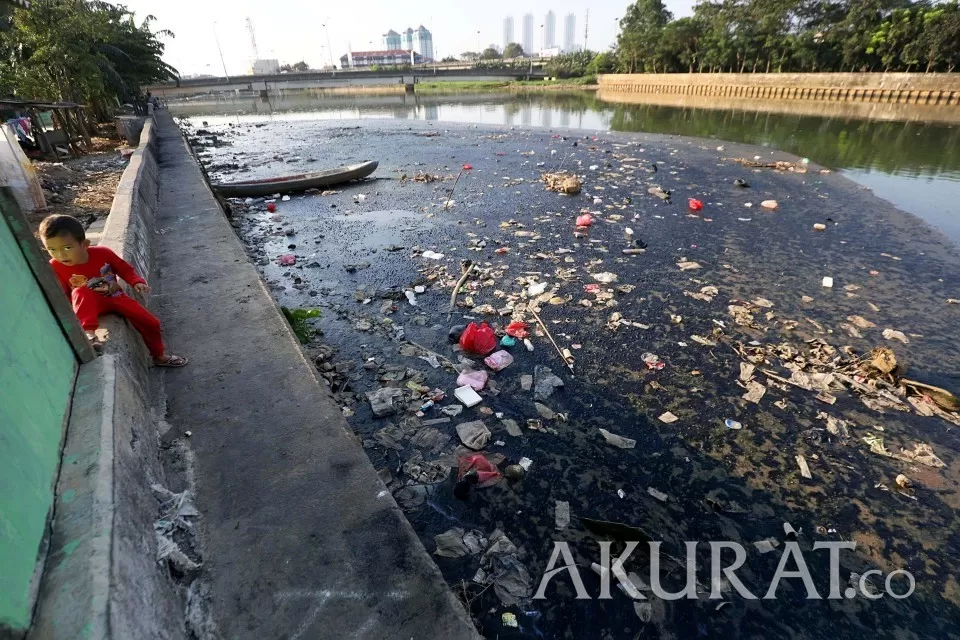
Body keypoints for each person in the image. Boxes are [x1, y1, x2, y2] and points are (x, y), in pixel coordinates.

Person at [39, 214, 187, 367]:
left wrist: (136, 282)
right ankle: (89, 333)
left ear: (84, 244)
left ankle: (159, 356)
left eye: (67, 248)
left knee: (152, 323)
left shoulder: (103, 253)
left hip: (115, 297)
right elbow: (61, 295)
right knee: (81, 290)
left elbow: (125, 269)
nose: (60, 255)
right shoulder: (54, 266)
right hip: (87, 306)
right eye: (52, 249)